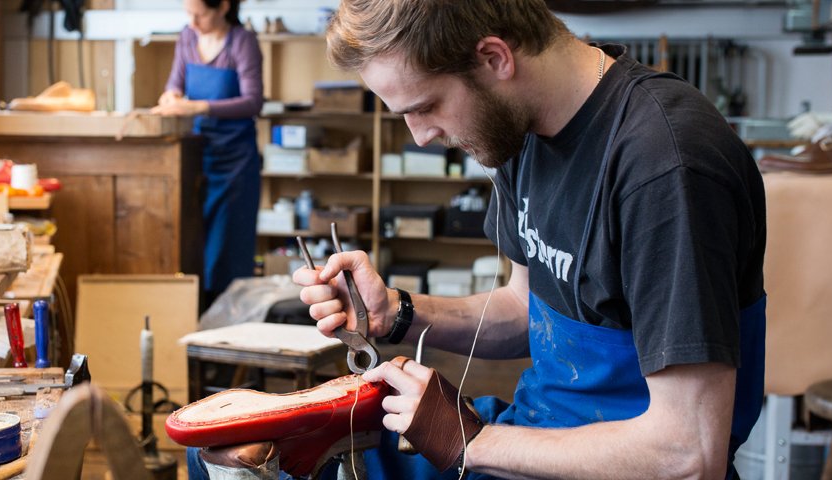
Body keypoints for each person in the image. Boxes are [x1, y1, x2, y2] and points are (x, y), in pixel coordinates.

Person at [287, 0, 767, 478]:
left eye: (427, 106)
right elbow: (525, 309)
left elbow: (687, 454)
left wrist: (471, 441)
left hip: (614, 464)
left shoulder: (665, 166)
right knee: (271, 452)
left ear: (495, 58)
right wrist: (396, 312)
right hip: (532, 437)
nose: (420, 137)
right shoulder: (521, 127)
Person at [151, 0, 264, 305]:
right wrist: (172, 94)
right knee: (194, 243)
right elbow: (174, 84)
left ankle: (227, 321)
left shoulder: (242, 41)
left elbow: (253, 101)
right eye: (188, 13)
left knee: (228, 246)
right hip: (196, 157)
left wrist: (198, 106)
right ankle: (196, 316)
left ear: (223, 6)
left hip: (235, 162)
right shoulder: (187, 37)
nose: (192, 22)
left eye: (199, 14)